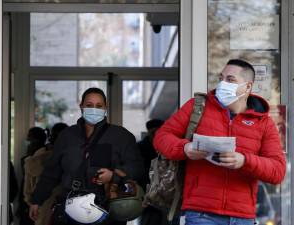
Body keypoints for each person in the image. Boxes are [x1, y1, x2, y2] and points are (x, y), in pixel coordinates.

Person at [153, 59, 286, 225]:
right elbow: (161, 137)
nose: (223, 84)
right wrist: (185, 148)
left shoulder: (263, 122)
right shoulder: (197, 107)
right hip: (201, 213)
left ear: (247, 87)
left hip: (242, 217)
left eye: (230, 80)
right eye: (221, 78)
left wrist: (245, 160)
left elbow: (278, 171)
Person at [29, 87, 144, 225]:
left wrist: (113, 176)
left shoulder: (121, 136)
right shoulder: (67, 136)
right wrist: (36, 200)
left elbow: (137, 169)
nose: (94, 109)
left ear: (105, 108)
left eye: (99, 106)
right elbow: (51, 172)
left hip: (106, 209)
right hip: (69, 208)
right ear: (81, 106)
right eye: (89, 105)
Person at [23, 123, 69, 225]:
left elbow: (28, 189)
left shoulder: (37, 160)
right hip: (49, 205)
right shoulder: (44, 153)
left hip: (46, 207)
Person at [18, 127, 47, 225]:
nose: (28, 142)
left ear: (37, 140)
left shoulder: (42, 158)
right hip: (29, 203)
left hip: (35, 204)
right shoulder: (30, 157)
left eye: (30, 139)